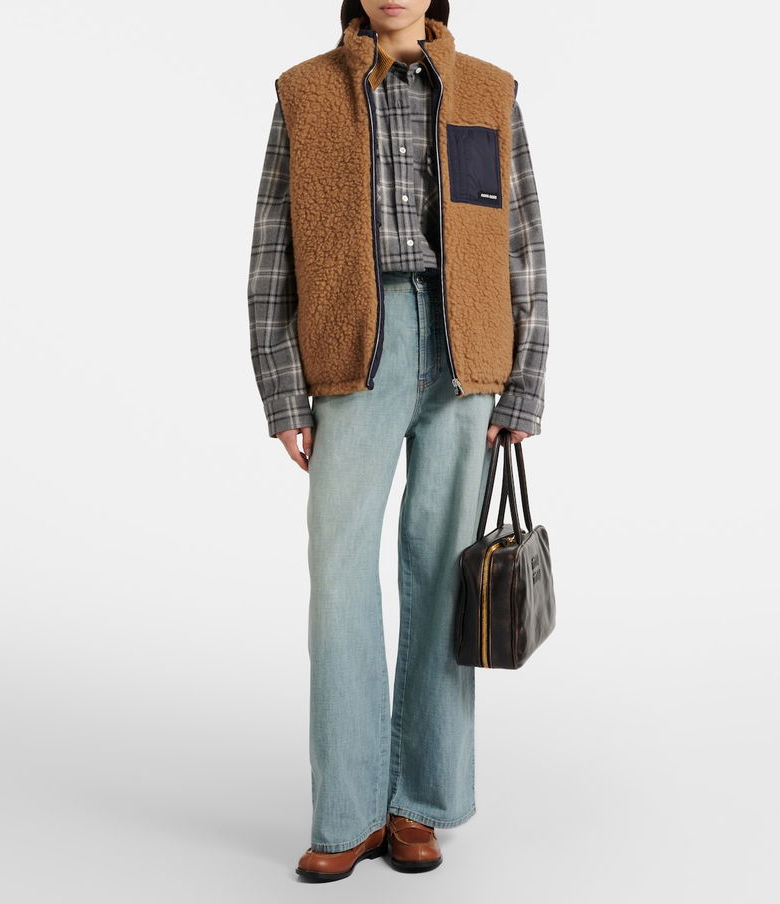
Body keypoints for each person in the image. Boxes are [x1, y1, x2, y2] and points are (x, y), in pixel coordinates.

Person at [247, 0, 549, 882]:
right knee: (339, 581)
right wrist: (283, 388)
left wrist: (524, 380)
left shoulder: (489, 91)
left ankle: (421, 801)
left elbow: (523, 243)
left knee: (444, 575)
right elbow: (272, 245)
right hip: (355, 350)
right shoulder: (305, 92)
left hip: (467, 353)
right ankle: (346, 813)